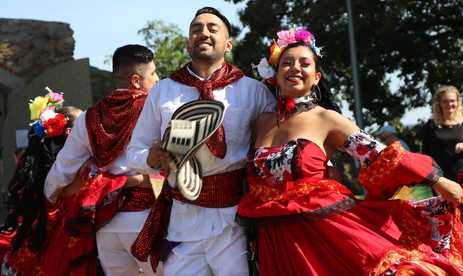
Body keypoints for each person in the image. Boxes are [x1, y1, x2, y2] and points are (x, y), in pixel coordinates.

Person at [236, 27, 463, 275]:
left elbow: (379, 155)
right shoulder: (259, 122)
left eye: (304, 63)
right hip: (273, 240)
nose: (295, 68)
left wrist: (437, 179)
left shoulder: (327, 118)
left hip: (325, 237)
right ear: (274, 74)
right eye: (287, 63)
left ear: (317, 76)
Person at [127, 7, 275, 276]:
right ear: (187, 42)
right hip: (183, 220)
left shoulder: (253, 91)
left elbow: (280, 143)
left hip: (235, 221)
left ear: (228, 44)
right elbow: (133, 153)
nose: (203, 33)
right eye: (196, 29)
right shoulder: (163, 90)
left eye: (212, 28)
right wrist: (152, 158)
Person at [43, 44, 161, 276]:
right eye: (154, 73)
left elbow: (62, 170)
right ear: (136, 80)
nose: (158, 79)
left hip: (107, 225)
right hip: (148, 216)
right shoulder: (154, 108)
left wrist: (51, 198)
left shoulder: (89, 117)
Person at [0, 88, 85, 274]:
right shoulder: (63, 172)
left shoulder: (52, 168)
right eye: (84, 126)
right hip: (58, 248)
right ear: (71, 133)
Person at [422, 85, 463, 229]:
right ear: (439, 104)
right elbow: (426, 156)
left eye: (453, 101)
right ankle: (451, 250)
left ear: (458, 102)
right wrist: (433, 180)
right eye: (445, 101)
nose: (450, 104)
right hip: (442, 178)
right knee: (446, 217)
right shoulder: (431, 126)